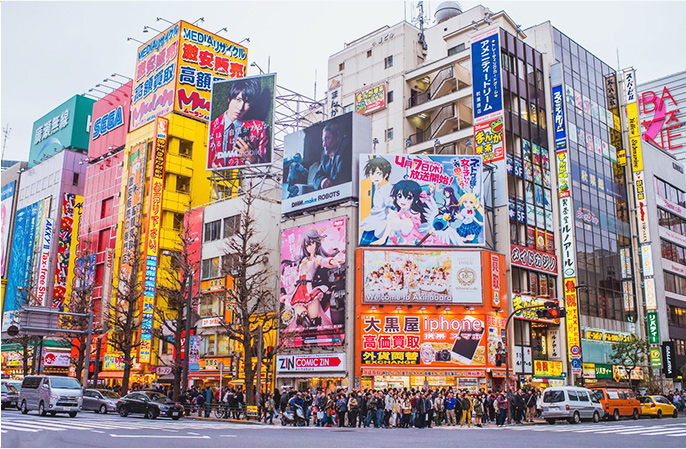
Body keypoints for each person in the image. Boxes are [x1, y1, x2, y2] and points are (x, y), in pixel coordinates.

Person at [208, 78, 270, 169]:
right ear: (229, 98)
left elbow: (267, 167)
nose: (240, 107)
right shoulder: (210, 127)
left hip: (244, 181)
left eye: (247, 103)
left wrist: (252, 158)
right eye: (238, 99)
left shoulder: (259, 128)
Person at [359, 157, 394, 245]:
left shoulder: (388, 190)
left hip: (379, 229)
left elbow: (391, 215)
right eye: (372, 173)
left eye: (378, 173)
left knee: (370, 255)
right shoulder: (378, 186)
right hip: (372, 225)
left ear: (386, 174)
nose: (374, 177)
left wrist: (383, 238)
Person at [312, 120, 350, 190]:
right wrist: (322, 181)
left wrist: (329, 182)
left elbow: (340, 179)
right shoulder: (325, 155)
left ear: (337, 138)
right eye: (323, 140)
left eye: (327, 139)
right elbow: (316, 177)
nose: (324, 144)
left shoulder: (345, 151)